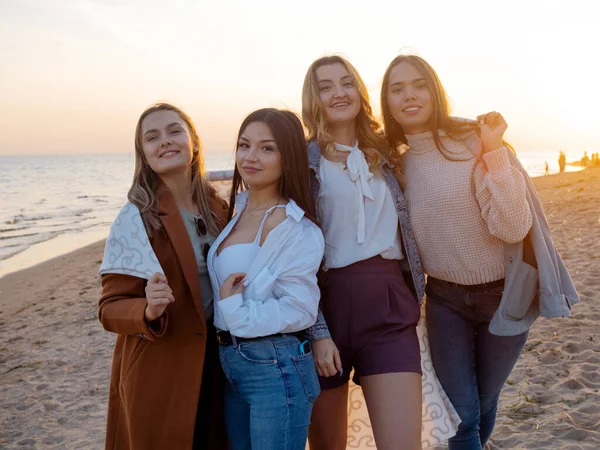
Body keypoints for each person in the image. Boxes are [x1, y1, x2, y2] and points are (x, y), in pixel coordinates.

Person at [380, 54, 579, 449]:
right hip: (443, 300)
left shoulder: (474, 143)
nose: (410, 96)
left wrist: (493, 151)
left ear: (435, 92)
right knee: (462, 416)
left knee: (484, 404)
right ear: (386, 102)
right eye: (397, 89)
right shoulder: (394, 166)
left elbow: (512, 226)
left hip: (505, 296)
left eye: (419, 85)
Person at [301, 55, 426, 450]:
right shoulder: (301, 161)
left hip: (388, 304)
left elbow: (433, 131)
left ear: (359, 90)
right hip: (322, 309)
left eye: (346, 82)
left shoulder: (388, 152)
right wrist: (317, 329)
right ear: (314, 98)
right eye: (325, 86)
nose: (338, 92)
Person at [98, 103, 229, 449]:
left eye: (174, 131)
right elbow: (109, 308)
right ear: (144, 153)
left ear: (193, 142)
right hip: (161, 368)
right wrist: (146, 309)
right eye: (152, 137)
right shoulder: (135, 219)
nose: (165, 142)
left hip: (219, 363)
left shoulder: (219, 208)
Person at [206, 108, 324, 450]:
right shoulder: (237, 210)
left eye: (266, 148)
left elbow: (301, 309)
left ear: (288, 159)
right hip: (233, 364)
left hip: (276, 367)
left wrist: (235, 312)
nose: (250, 156)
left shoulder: (295, 228)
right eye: (244, 145)